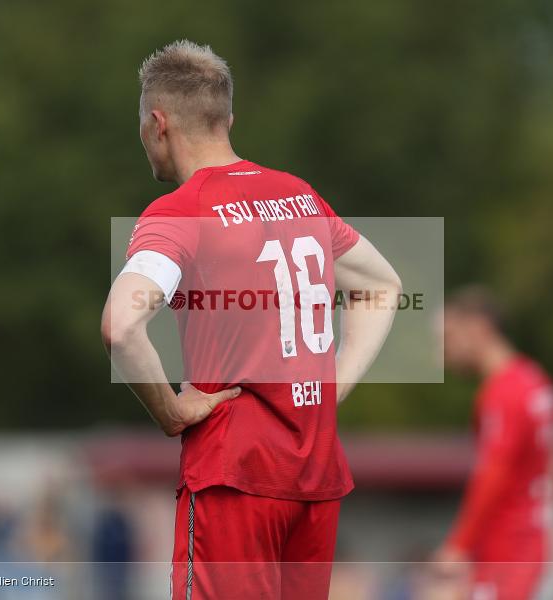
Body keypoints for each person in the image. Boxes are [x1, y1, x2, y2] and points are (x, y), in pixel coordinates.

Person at [102, 40, 401, 600]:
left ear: (157, 123)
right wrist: (331, 384)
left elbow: (120, 326)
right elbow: (382, 288)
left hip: (233, 473)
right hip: (314, 473)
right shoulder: (300, 196)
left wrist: (170, 410)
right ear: (228, 119)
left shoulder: (180, 210)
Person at [433, 287, 553, 600]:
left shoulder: (503, 393)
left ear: (479, 328)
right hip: (529, 538)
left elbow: (493, 473)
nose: (444, 353)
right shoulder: (534, 380)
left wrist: (458, 545)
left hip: (507, 545)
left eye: (448, 338)